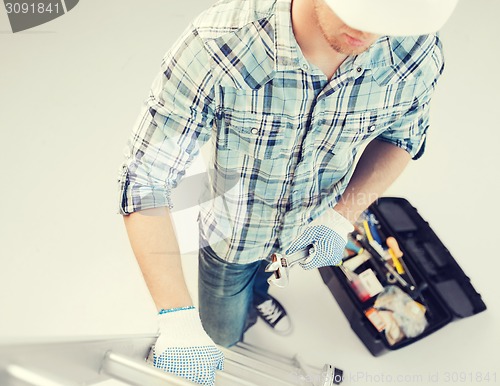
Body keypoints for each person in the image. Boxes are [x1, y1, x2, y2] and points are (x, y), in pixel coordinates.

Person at [117, 0, 457, 384]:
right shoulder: (216, 45)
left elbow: (402, 138)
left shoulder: (415, 49)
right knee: (223, 335)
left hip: (307, 232)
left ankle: (260, 299)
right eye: (360, 13)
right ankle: (236, 325)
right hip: (232, 237)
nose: (369, 33)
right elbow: (145, 179)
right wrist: (177, 321)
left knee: (263, 282)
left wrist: (340, 215)